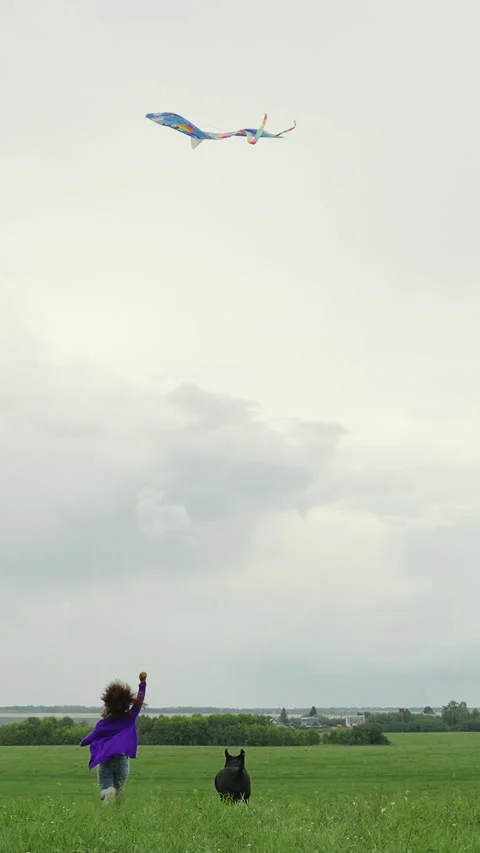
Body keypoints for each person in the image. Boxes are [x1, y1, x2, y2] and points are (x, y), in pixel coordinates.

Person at [80, 671, 147, 802]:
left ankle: (107, 794)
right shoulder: (130, 717)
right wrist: (142, 684)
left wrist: (82, 742)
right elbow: (139, 702)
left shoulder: (103, 724)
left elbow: (91, 737)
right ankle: (117, 815)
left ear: (108, 705)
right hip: (122, 759)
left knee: (104, 788)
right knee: (120, 790)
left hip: (106, 759)